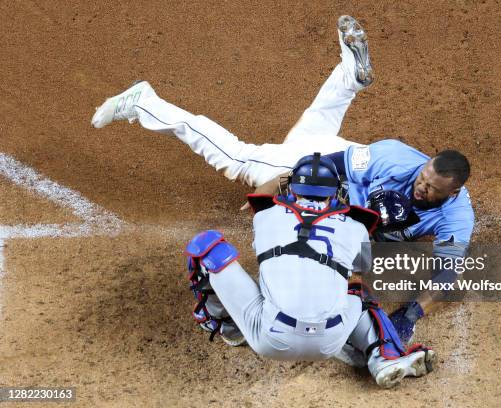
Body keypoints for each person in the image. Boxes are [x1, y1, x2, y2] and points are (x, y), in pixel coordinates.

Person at [91, 15, 474, 341]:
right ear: (426, 162)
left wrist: (410, 315)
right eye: (423, 177)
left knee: (312, 131)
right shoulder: (395, 157)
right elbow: (319, 162)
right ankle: (144, 103)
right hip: (323, 168)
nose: (420, 186)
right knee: (237, 159)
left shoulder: (457, 217)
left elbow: (447, 275)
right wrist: (270, 186)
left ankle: (349, 78)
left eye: (431, 189)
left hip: (336, 179)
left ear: (453, 192)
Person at [183, 153, 435, 388]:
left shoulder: (265, 216)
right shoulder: (355, 227)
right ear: (334, 192)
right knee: (359, 294)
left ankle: (229, 326)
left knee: (208, 248)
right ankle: (384, 356)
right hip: (330, 340)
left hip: (269, 338)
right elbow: (362, 267)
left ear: (292, 188)